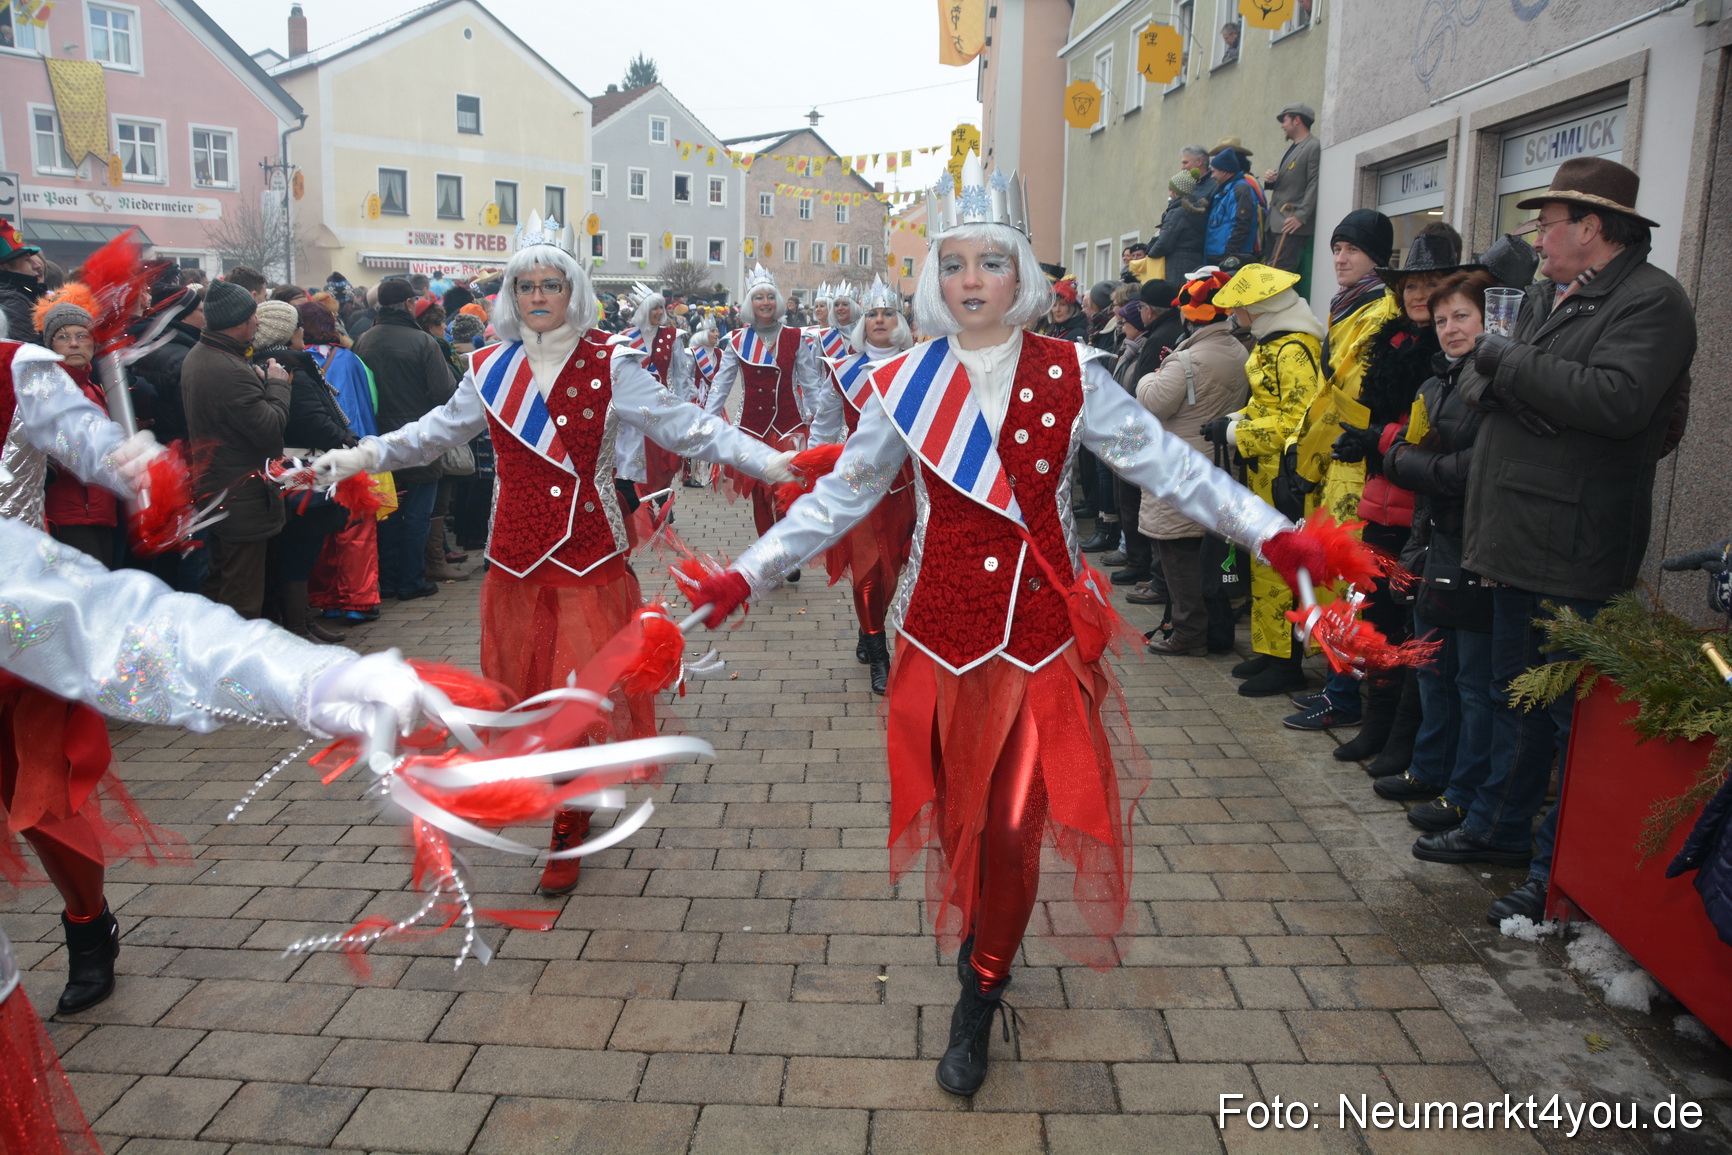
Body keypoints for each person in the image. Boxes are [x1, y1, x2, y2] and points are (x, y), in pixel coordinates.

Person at [686, 161, 1313, 1098]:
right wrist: (748, 570)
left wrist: (1288, 539)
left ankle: (981, 988)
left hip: (1039, 641)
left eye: (989, 261)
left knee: (1016, 822)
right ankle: (983, 939)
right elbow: (842, 498)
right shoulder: (901, 380)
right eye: (952, 264)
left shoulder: (1075, 372)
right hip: (938, 640)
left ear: (1021, 271)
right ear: (934, 279)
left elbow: (1171, 472)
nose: (970, 280)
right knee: (962, 819)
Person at [313, 213, 797, 896]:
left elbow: (685, 426)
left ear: (573, 290)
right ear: (512, 295)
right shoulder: (488, 366)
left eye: (551, 284)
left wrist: (770, 461)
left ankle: (568, 823)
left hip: (588, 557)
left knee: (582, 694)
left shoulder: (611, 360)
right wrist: (360, 455)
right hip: (513, 558)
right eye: (526, 285)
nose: (539, 296)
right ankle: (563, 796)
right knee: (531, 699)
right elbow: (429, 434)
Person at [1415, 158, 1697, 927]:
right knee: (1517, 695)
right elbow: (1475, 377)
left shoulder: (1653, 302)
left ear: (1593, 228)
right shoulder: (1542, 294)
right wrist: (1521, 384)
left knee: (1566, 713)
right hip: (1512, 533)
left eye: (1549, 222)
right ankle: (1499, 827)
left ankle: (1557, 874)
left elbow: (1617, 399)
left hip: (1573, 541)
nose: (1536, 237)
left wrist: (1514, 373)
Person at [1288, 225, 1460, 740]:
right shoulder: (1393, 338)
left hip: (1418, 500)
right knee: (1371, 604)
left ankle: (1374, 720)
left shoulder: (1444, 353)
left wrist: (1376, 439)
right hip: (1379, 490)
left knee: (1395, 617)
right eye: (1410, 287)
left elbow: (1432, 434)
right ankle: (1357, 706)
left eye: (1430, 287)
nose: (1418, 296)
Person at [1377, 268, 1501, 832]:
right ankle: (1429, 769)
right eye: (1444, 318)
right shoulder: (1436, 382)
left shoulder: (1496, 384)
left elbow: (1472, 470)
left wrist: (1411, 463)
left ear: (1490, 320)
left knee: (1473, 682)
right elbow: (1405, 456)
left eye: (1463, 317)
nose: (1450, 328)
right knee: (1430, 667)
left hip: (1478, 548)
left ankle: (1462, 790)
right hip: (1434, 543)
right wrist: (1410, 463)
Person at [1203, 264, 1326, 695]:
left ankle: (1286, 661)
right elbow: (1267, 405)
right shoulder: (1273, 343)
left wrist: (1236, 432)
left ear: (1260, 306)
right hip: (1265, 473)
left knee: (1283, 569)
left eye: (1242, 305)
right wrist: (1232, 420)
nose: (1236, 312)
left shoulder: (1293, 349)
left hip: (1283, 479)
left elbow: (1301, 417)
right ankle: (1271, 651)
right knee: (1265, 564)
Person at [806, 276, 916, 693]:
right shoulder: (842, 370)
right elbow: (825, 425)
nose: (880, 320)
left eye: (888, 313)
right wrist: (812, 471)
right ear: (861, 322)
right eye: (872, 314)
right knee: (868, 569)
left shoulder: (918, 365)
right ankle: (879, 652)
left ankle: (866, 630)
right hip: (858, 484)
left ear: (900, 320)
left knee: (896, 568)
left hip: (905, 486)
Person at [1136, 269, 1249, 652]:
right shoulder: (1239, 351)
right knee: (1212, 557)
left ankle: (1187, 633)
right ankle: (1217, 632)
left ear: (1189, 313)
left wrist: (1148, 376)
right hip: (1220, 464)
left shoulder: (1187, 360)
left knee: (1179, 554)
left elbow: (1152, 403)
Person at [182, 279, 294, 619]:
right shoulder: (228, 369)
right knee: (242, 596)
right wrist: (277, 385)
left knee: (221, 582)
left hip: (219, 489)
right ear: (237, 322)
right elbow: (270, 431)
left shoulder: (204, 355)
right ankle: (237, 668)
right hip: (240, 495)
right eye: (252, 317)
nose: (258, 322)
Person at [250, 300, 355, 643]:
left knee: (298, 549)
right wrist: (344, 438)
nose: (301, 333)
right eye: (296, 327)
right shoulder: (291, 366)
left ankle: (303, 620)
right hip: (300, 471)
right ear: (286, 331)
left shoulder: (271, 362)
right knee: (300, 549)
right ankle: (297, 626)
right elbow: (309, 419)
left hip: (288, 469)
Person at [703, 264, 823, 561]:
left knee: (787, 491)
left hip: (789, 427)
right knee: (759, 495)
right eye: (759, 297)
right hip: (752, 429)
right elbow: (721, 384)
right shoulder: (736, 341)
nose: (766, 302)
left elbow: (810, 383)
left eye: (770, 296)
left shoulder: (796, 337)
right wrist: (705, 421)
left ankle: (787, 552)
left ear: (778, 301)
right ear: (750, 304)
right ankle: (769, 552)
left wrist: (821, 422)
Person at [354, 278, 460, 600]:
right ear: (409, 304)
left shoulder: (362, 341)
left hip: (377, 440)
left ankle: (385, 580)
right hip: (419, 439)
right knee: (416, 515)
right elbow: (444, 392)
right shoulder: (423, 342)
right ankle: (411, 581)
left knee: (386, 512)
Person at [302, 300, 384, 625]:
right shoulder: (348, 360)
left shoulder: (293, 361)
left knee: (322, 531)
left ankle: (328, 600)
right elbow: (365, 406)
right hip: (349, 454)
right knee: (356, 530)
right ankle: (358, 601)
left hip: (311, 457)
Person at [33, 297, 120, 568]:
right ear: (50, 345)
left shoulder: (97, 390)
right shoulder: (43, 390)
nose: (74, 343)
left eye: (82, 335)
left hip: (102, 511)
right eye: (63, 337)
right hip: (66, 514)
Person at [1262, 103, 1320, 287]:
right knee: (1270, 271)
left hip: (1291, 223)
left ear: (1297, 120)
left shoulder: (1312, 146)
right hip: (1276, 222)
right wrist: (1270, 180)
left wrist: (1301, 216)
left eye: (1285, 120)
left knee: (1279, 275)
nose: (1282, 125)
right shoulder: (1292, 148)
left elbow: (1314, 183)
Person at [1203, 148, 1261, 270]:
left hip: (1229, 258)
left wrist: (1228, 256)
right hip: (1217, 255)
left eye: (1214, 172)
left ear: (1224, 171)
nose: (1212, 176)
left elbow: (1241, 224)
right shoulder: (1225, 190)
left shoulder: (1240, 190)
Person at [1149, 172, 1208, 285]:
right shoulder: (1200, 210)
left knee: (1176, 295)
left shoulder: (1177, 213)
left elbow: (1164, 243)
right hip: (1196, 260)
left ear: (1176, 192)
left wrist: (1151, 252)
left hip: (1177, 264)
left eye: (1170, 190)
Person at [0, 219, 46, 344]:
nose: (37, 265)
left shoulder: (21, 294)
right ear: (5, 266)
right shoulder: (12, 302)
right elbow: (29, 356)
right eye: (27, 260)